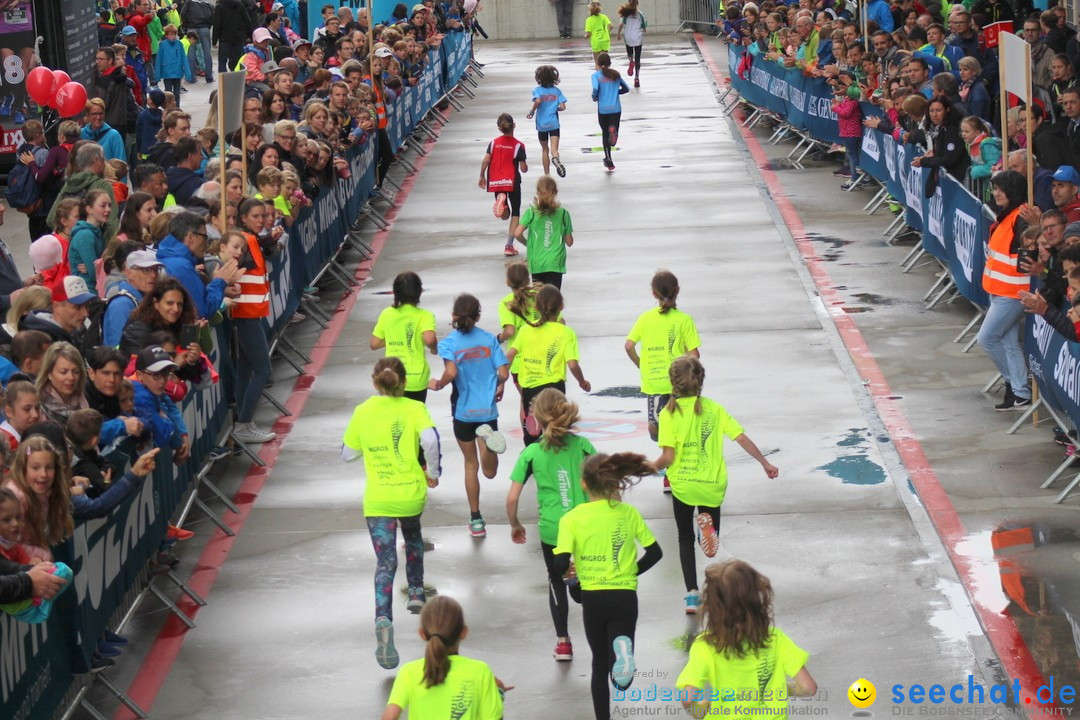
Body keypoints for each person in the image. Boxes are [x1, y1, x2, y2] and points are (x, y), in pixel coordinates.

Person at [652, 355, 779, 613]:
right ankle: (710, 564)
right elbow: (740, 438)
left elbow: (667, 457)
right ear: (700, 382)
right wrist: (765, 463)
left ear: (672, 383)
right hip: (711, 484)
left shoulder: (668, 414)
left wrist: (645, 467)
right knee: (711, 542)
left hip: (683, 485)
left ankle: (691, 594)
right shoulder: (714, 408)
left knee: (684, 538)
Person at [341, 357, 442, 670]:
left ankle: (383, 618)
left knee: (385, 562)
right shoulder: (414, 409)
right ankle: (415, 590)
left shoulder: (362, 412)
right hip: (410, 494)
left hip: (379, 500)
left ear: (375, 382)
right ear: (404, 383)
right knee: (412, 535)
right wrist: (433, 471)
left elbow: (347, 455)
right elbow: (430, 440)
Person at [552, 452, 662, 720]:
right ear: (615, 483)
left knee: (598, 665)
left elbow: (560, 564)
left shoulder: (572, 518)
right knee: (619, 655)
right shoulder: (628, 514)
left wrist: (571, 580)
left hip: (593, 598)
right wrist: (629, 572)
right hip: (624, 596)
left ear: (584, 484)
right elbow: (655, 553)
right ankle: (622, 667)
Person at [506, 387, 593, 662]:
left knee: (555, 580)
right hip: (583, 525)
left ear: (537, 420)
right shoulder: (583, 446)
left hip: (553, 531)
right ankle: (581, 589)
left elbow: (512, 498)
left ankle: (564, 643)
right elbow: (603, 482)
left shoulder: (531, 453)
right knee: (588, 584)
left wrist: (515, 524)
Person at [677, 560, 817, 718]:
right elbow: (808, 687)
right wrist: (781, 689)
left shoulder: (705, 646)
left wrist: (701, 710)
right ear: (757, 600)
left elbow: (688, 699)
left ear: (712, 606)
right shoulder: (775, 639)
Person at [428, 294, 509, 538]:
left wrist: (439, 384)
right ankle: (491, 447)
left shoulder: (449, 344)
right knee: (490, 471)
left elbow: (451, 372)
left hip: (463, 411)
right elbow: (503, 373)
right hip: (487, 410)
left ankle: (476, 519)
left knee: (470, 465)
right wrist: (497, 384)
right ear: (478, 317)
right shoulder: (488, 340)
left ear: (453, 317)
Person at [624, 269, 701, 493]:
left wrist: (639, 363)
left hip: (655, 383)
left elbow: (629, 345)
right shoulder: (684, 320)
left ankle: (670, 470)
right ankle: (676, 470)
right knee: (680, 428)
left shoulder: (645, 319)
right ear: (678, 291)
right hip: (680, 384)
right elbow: (694, 354)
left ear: (653, 294)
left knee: (657, 429)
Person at [380, 596, 507, 720]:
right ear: (464, 632)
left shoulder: (408, 672)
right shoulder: (480, 671)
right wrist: (498, 693)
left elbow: (389, 717)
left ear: (422, 634)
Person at [505, 284, 590, 445]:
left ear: (536, 306)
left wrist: (500, 379)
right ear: (561, 306)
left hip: (530, 391)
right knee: (557, 436)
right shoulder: (566, 332)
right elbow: (572, 365)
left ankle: (533, 466)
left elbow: (509, 355)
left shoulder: (525, 330)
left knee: (532, 440)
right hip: (555, 391)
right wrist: (582, 382)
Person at [979, 171, 1033, 412]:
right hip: (1001, 290)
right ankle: (1020, 394)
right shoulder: (1008, 214)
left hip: (1013, 293)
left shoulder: (1019, 218)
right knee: (1009, 344)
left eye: (1000, 189)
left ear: (1012, 190)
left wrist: (1035, 225)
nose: (996, 193)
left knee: (987, 339)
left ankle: (1013, 383)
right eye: (994, 188)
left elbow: (1033, 246)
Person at [231, 198, 278, 445]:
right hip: (247, 313)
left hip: (250, 312)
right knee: (263, 369)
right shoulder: (246, 241)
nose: (262, 220)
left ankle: (242, 419)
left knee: (245, 369)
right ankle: (244, 423)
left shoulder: (251, 239)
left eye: (263, 216)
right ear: (244, 218)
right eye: (256, 217)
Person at [371, 271, 438, 403]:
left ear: (395, 292)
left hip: (392, 377)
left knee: (394, 418)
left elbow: (374, 344)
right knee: (413, 417)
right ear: (419, 292)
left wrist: (393, 336)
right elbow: (429, 339)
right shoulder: (425, 316)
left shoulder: (387, 314)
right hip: (416, 379)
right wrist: (434, 349)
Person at [479, 113, 528, 257]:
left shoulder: (493, 143)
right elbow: (523, 168)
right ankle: (509, 245)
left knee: (504, 216)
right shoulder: (518, 145)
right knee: (515, 214)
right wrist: (524, 164)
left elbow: (486, 160)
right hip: (512, 181)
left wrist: (482, 175)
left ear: (499, 128)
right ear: (514, 125)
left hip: (496, 181)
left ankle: (502, 203)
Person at [514, 176, 574, 289]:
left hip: (537, 261)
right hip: (555, 262)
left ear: (538, 192)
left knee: (539, 299)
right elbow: (569, 242)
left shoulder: (531, 212)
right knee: (552, 299)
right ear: (555, 192)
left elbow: (517, 233)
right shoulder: (563, 214)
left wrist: (526, 243)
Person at [132, 344, 189, 462]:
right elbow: (163, 435)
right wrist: (178, 443)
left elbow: (171, 408)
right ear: (139, 375)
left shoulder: (152, 389)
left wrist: (183, 436)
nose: (162, 381)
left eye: (165, 374)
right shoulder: (138, 396)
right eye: (156, 375)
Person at [36, 342, 90, 426]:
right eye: (63, 372)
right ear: (49, 373)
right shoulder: (37, 404)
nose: (71, 377)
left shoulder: (82, 401)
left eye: (76, 372)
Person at [526, 66, 567, 178]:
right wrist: (555, 108)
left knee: (545, 149)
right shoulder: (557, 91)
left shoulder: (537, 90)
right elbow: (563, 107)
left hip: (542, 125)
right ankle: (556, 159)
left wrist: (532, 110)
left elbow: (538, 100)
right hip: (554, 123)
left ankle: (547, 175)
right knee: (554, 149)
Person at [591, 53, 630, 171]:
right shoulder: (615, 75)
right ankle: (614, 130)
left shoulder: (595, 75)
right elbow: (626, 88)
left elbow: (596, 88)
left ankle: (608, 159)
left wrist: (595, 96)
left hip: (603, 109)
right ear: (610, 63)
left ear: (597, 63)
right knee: (612, 130)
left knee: (604, 133)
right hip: (615, 108)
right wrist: (615, 93)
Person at [68, 190, 111, 295]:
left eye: (109, 205)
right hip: (87, 291)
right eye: (103, 206)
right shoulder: (85, 235)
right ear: (89, 209)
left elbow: (95, 267)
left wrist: (99, 265)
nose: (108, 209)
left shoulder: (97, 231)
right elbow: (94, 273)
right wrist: (98, 267)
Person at [155, 25, 194, 106]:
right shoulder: (162, 46)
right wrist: (157, 75)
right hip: (167, 73)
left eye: (174, 34)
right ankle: (168, 108)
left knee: (177, 94)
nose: (173, 36)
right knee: (168, 93)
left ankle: (177, 108)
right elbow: (159, 60)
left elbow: (184, 59)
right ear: (166, 35)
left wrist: (188, 74)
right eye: (171, 34)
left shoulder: (179, 45)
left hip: (177, 72)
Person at [0, 381, 40, 452]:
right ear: (9, 411)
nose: (35, 415)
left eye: (37, 408)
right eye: (27, 409)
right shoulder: (7, 444)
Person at [616, 0, 646, 88]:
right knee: (638, 58)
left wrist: (618, 34)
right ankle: (636, 78)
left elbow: (621, 24)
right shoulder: (640, 14)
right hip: (637, 38)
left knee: (630, 53)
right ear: (637, 3)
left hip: (628, 38)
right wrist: (642, 29)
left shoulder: (625, 14)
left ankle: (630, 61)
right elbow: (644, 27)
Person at [585, 1, 613, 66]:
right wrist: (606, 32)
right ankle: (606, 73)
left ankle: (599, 74)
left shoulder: (589, 20)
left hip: (596, 42)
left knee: (597, 62)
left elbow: (589, 34)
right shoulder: (604, 17)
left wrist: (586, 36)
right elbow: (611, 26)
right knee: (605, 61)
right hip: (605, 40)